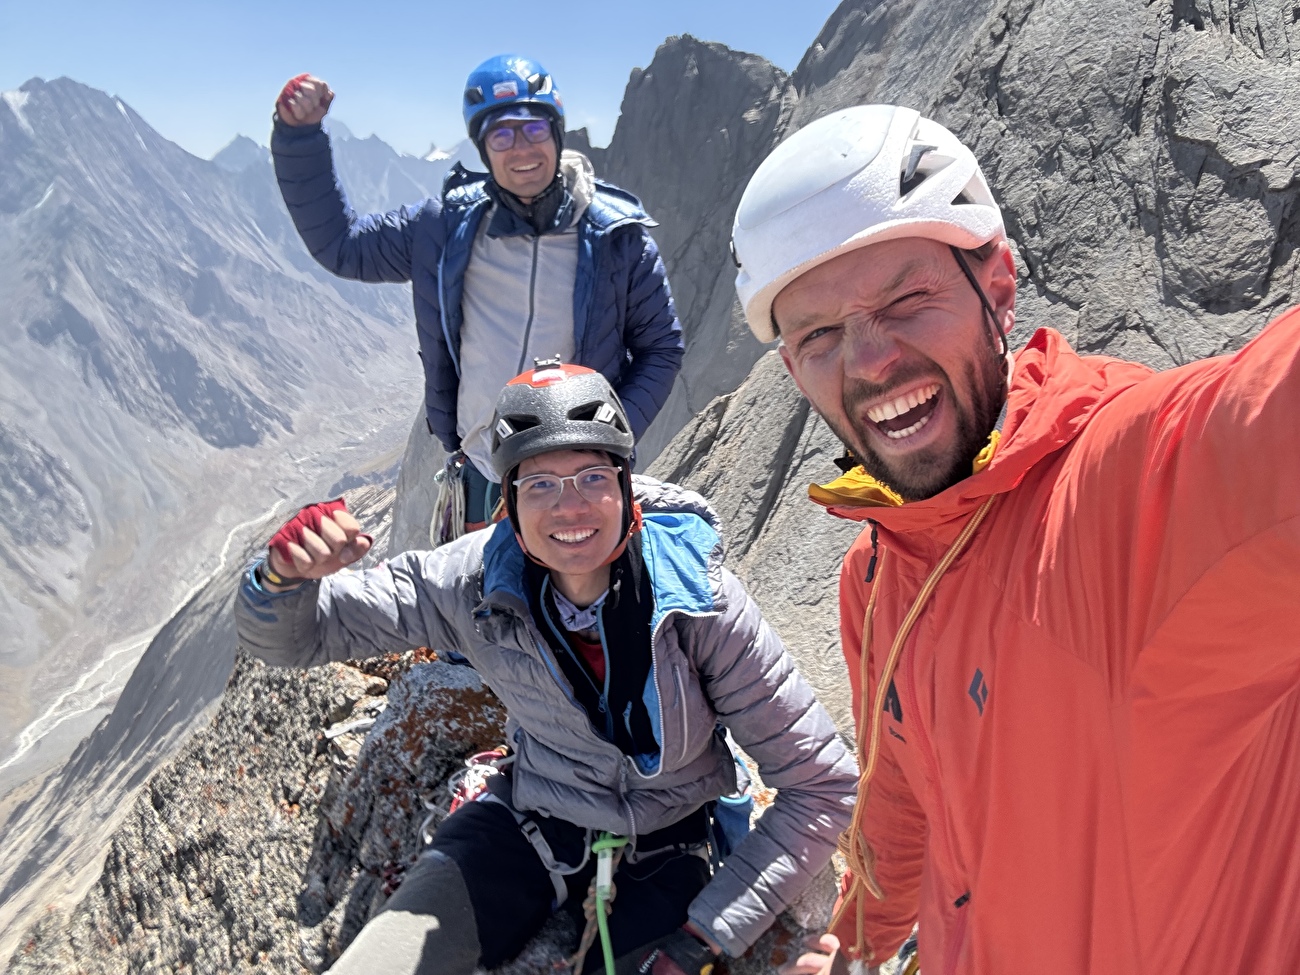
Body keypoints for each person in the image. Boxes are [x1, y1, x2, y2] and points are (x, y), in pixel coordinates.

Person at [729, 105, 1300, 975]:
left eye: (907, 299)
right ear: (791, 371)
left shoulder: (1137, 488)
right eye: (819, 336)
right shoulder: (877, 572)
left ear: (998, 283)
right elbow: (903, 801)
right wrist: (855, 946)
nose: (872, 360)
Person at [236, 363, 857, 974]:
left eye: (591, 477)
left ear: (625, 486)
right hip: (526, 825)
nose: (569, 507)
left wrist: (706, 933)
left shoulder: (700, 603)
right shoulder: (473, 581)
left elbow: (821, 785)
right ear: (507, 502)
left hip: (668, 847)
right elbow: (305, 636)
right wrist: (279, 581)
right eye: (538, 485)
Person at [272, 56, 684, 532]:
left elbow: (661, 348)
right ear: (484, 149)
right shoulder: (445, 228)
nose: (521, 148)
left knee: (580, 601)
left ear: (556, 132)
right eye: (501, 135)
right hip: (483, 476)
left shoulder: (618, 238)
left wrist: (606, 438)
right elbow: (343, 248)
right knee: (481, 603)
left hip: (577, 478)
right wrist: (298, 138)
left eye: (532, 129)